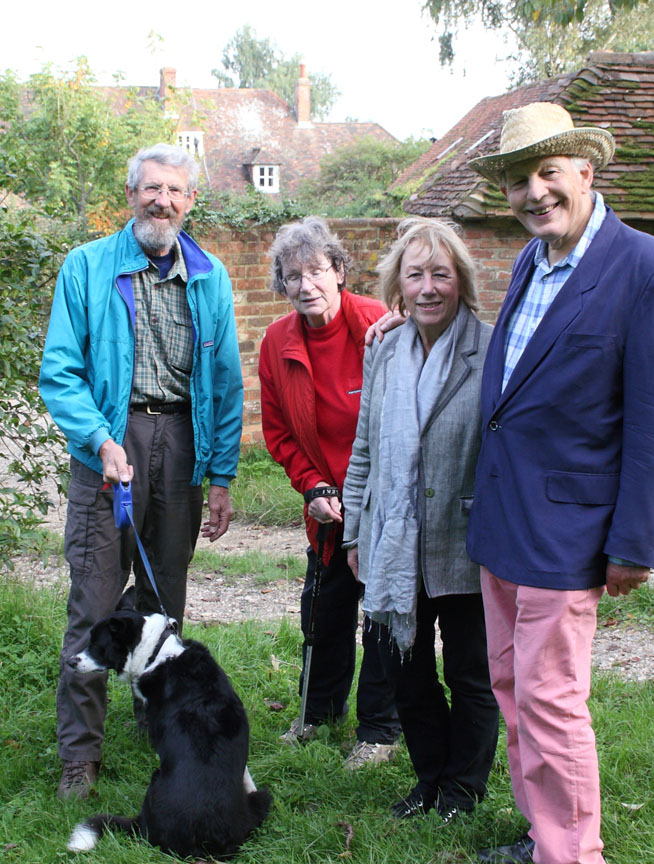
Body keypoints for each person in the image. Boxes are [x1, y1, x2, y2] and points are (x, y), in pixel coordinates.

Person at [466, 103, 654, 864]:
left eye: (547, 172)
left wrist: (635, 542)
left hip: (571, 531)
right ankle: (545, 834)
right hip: (504, 520)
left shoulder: (648, 272)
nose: (534, 192)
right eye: (518, 180)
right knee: (511, 686)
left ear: (585, 172)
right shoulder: (531, 261)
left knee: (552, 699)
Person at [39, 143, 243, 800]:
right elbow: (60, 371)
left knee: (164, 602)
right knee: (95, 603)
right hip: (110, 443)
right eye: (152, 188)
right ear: (131, 195)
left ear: (190, 201)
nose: (163, 200)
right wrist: (99, 438)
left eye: (175, 190)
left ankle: (158, 722)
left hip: (181, 444)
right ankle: (80, 755)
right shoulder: (87, 267)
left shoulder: (210, 276)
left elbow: (225, 382)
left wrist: (220, 475)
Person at [342, 218, 500, 823]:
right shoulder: (384, 350)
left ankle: (463, 790)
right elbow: (365, 446)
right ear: (398, 287)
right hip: (392, 539)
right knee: (404, 670)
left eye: (441, 273)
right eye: (415, 275)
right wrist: (354, 530)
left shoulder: (491, 349)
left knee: (470, 672)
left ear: (461, 280)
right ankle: (429, 779)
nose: (428, 287)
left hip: (465, 539)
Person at [258, 217, 401, 769]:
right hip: (328, 503)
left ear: (339, 271)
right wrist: (312, 487)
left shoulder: (378, 325)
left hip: (384, 500)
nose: (306, 285)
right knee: (323, 610)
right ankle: (318, 713)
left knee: (382, 614)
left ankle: (380, 731)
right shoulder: (277, 343)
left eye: (317, 271)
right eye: (293, 276)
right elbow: (279, 434)